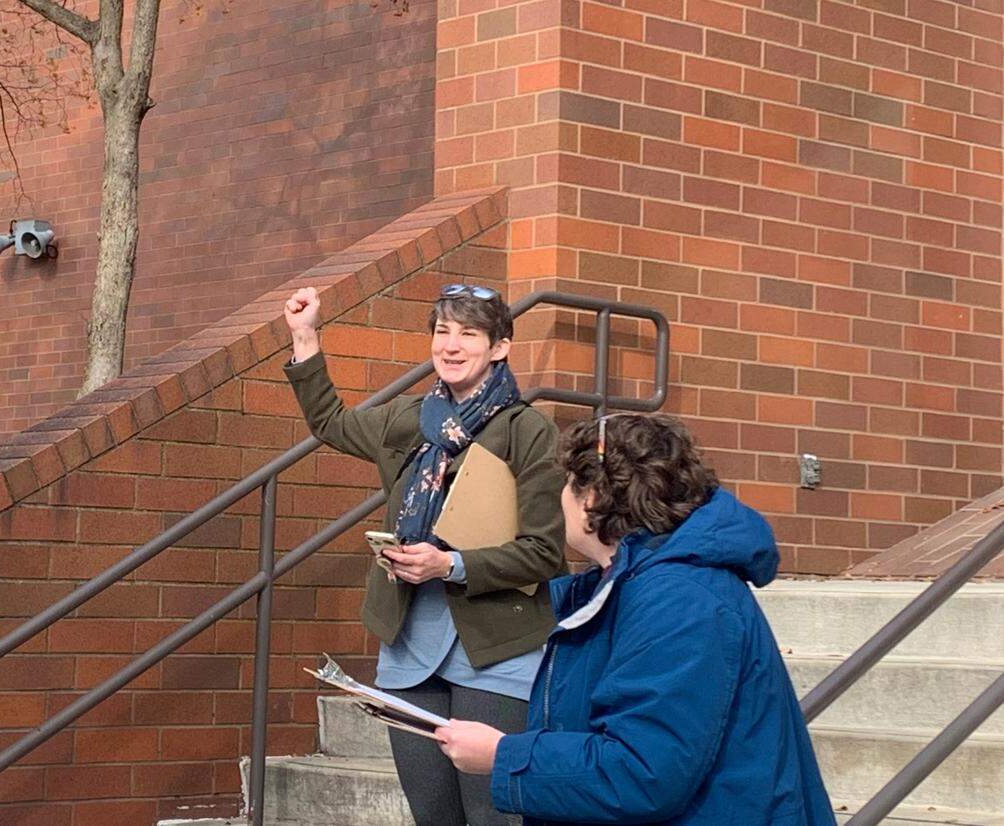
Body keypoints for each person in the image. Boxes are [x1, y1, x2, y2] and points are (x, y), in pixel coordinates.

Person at [436, 413, 836, 825]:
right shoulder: (627, 587)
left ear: (590, 497)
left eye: (567, 486)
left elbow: (643, 771)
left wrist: (505, 757)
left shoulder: (680, 600)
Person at [283, 283, 566, 825]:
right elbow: (331, 423)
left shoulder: (528, 430)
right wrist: (304, 335)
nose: (452, 345)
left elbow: (544, 552)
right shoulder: (412, 419)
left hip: (496, 648)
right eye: (442, 331)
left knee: (492, 816)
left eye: (469, 333)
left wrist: (450, 565)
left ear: (500, 347)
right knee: (432, 813)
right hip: (410, 643)